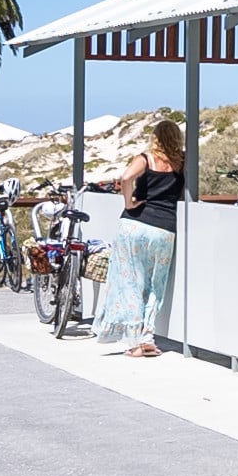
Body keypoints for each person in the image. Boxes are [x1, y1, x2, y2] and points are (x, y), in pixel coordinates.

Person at [86, 115, 187, 355]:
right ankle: (147, 338)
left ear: (155, 139)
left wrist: (130, 202)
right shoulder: (181, 162)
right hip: (164, 228)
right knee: (156, 285)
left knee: (130, 282)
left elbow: (126, 177)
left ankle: (133, 342)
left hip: (134, 225)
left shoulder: (146, 159)